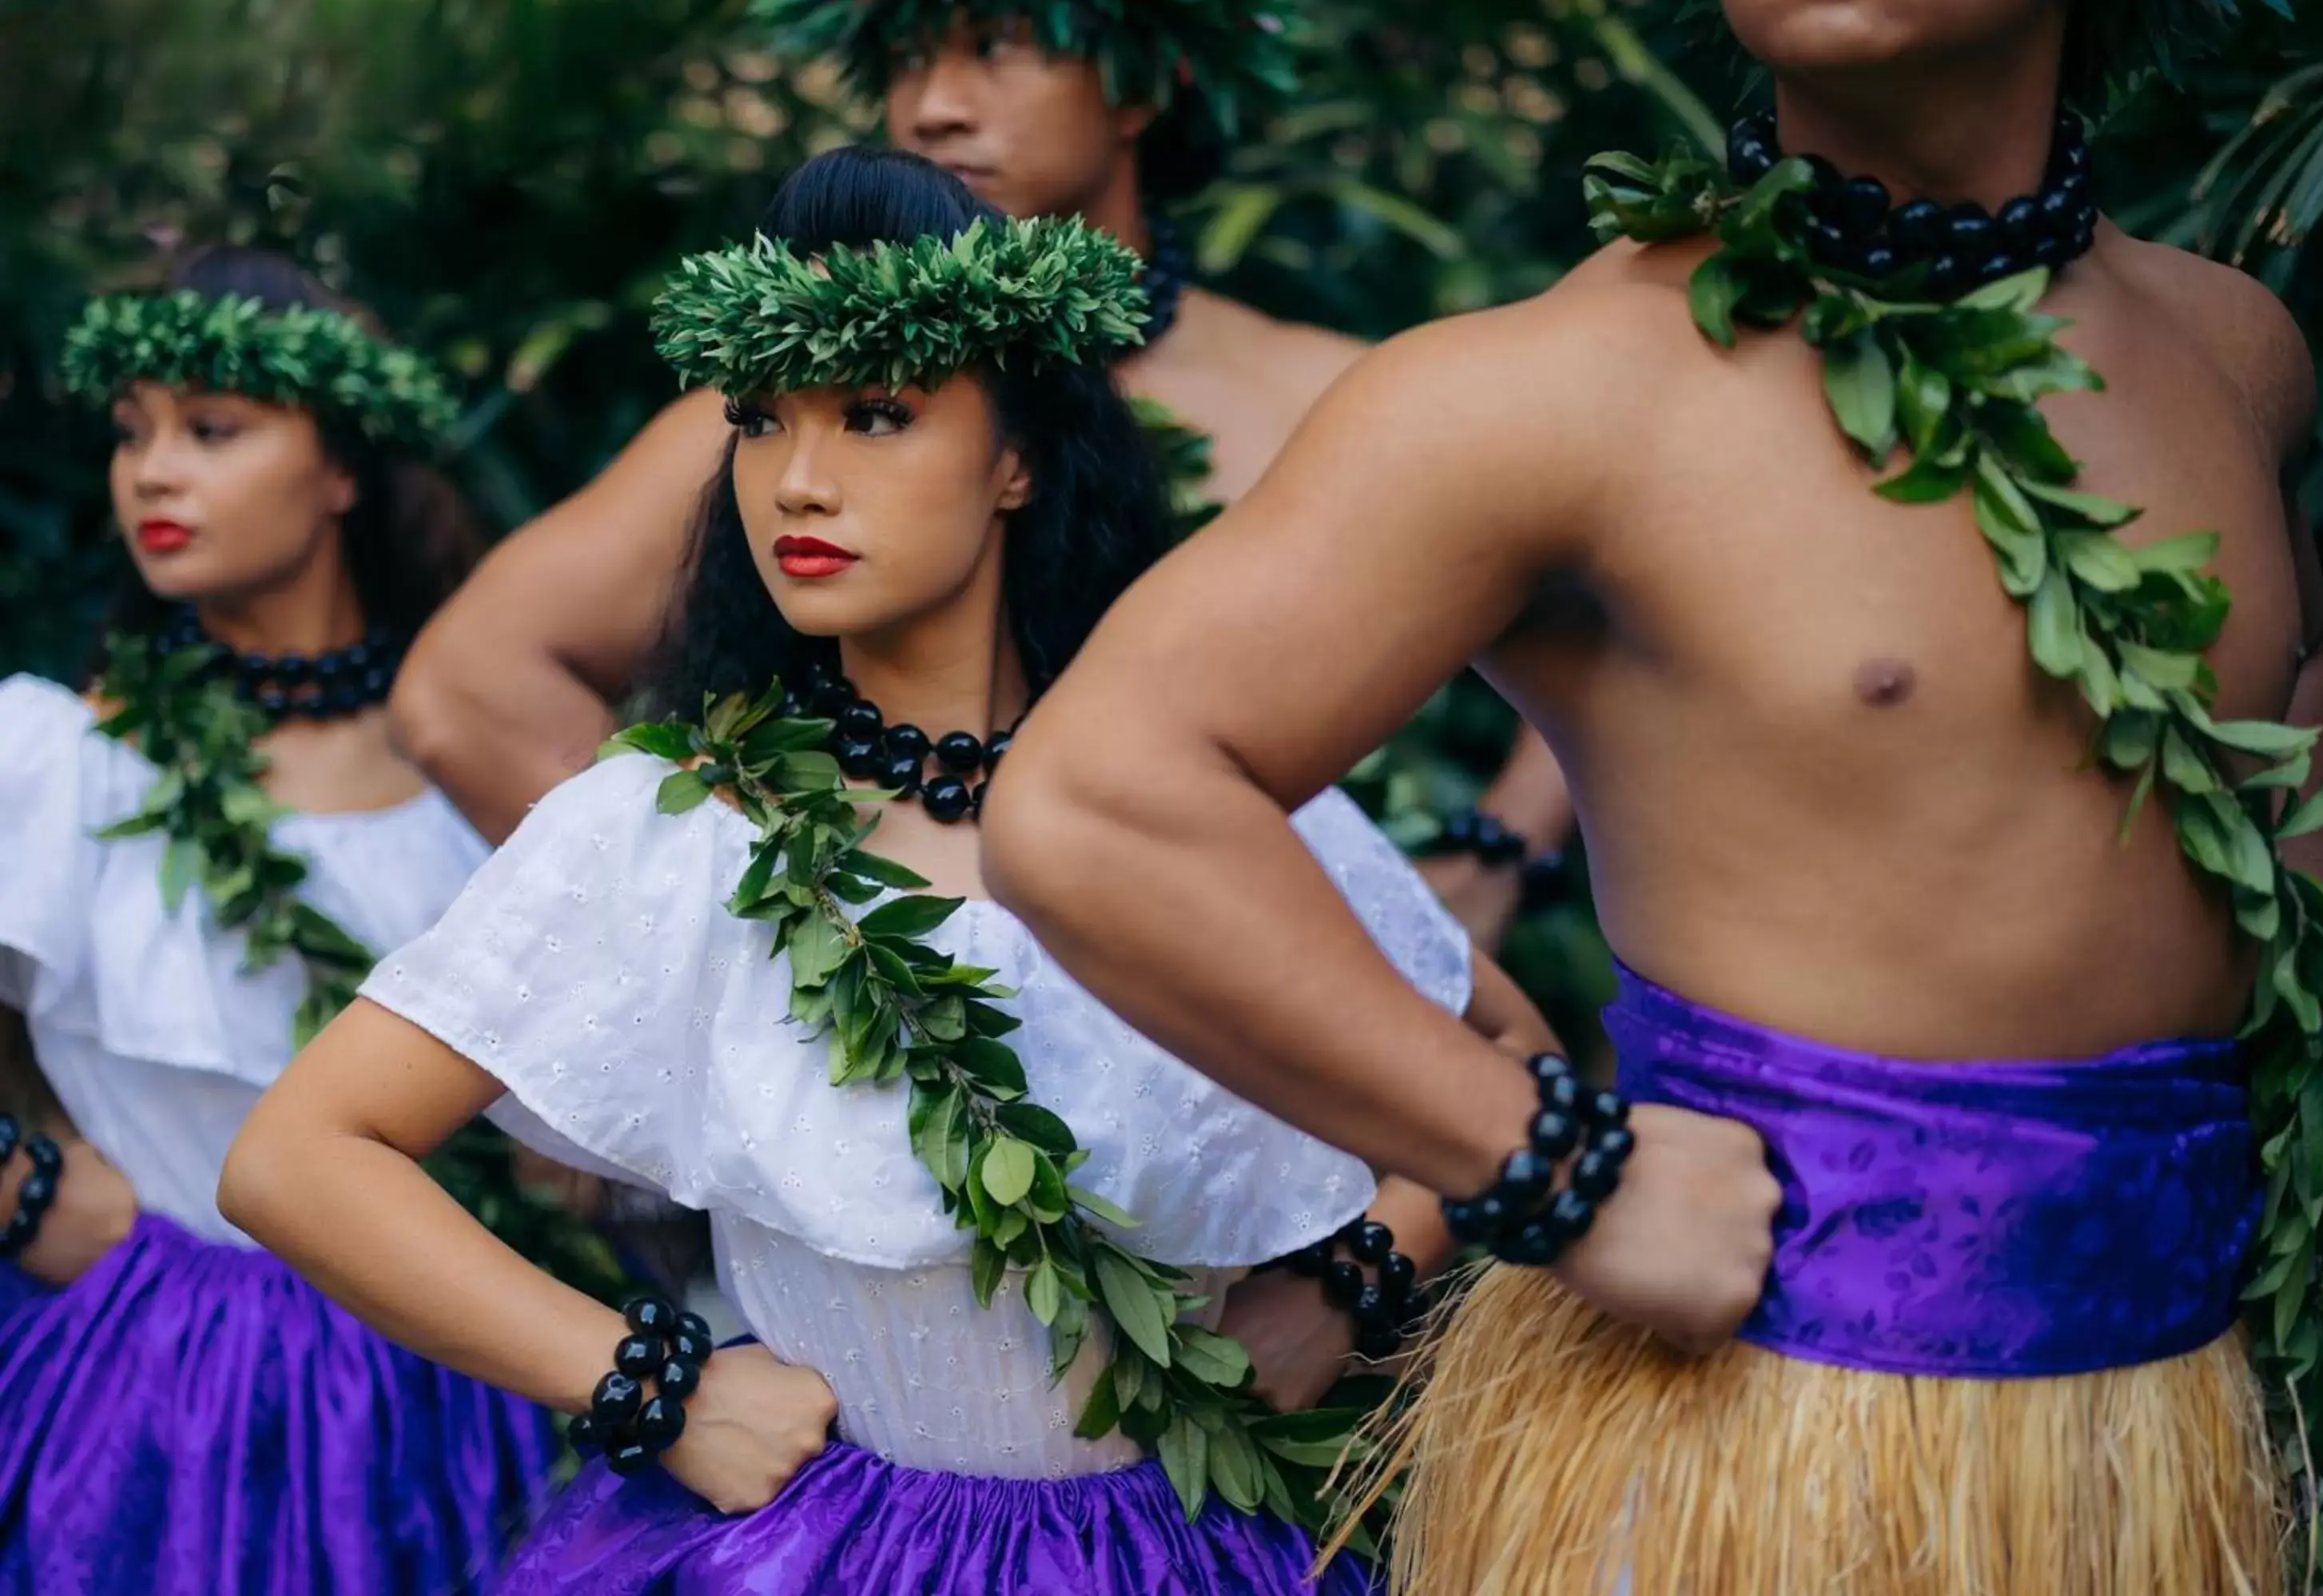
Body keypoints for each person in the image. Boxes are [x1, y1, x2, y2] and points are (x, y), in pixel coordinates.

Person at [980, 0, 2323, 1591]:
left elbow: (2307, 667)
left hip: (2157, 1436)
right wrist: (1550, 1167)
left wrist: (2283, 1114)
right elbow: (1098, 802)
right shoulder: (1563, 393)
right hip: (1752, 1461)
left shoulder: (2231, 351)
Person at [221, 147, 1554, 1594]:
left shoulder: (1197, 806)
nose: (798, 480)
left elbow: (1505, 1054)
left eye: (875, 416)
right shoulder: (678, 828)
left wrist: (1346, 1284)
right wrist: (652, 1386)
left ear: (1017, 459)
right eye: (759, 421)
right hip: (812, 1552)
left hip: (1185, 1547)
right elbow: (300, 1157)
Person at [386, 0, 1569, 954]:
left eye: (996, 45)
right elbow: (468, 689)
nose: (935, 107)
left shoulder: (1327, 397)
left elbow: (1605, 608)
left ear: (1141, 83)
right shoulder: (789, 422)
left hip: (1291, 1053)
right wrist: (745, 951)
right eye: (906, 56)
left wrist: (1504, 852)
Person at [0, 247, 554, 1593]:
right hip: (141, 1371)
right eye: (133, 433)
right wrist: (23, 1189)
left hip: (448, 1381)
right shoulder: (59, 758)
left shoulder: (470, 777)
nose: (152, 472)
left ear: (343, 471)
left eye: (213, 429)